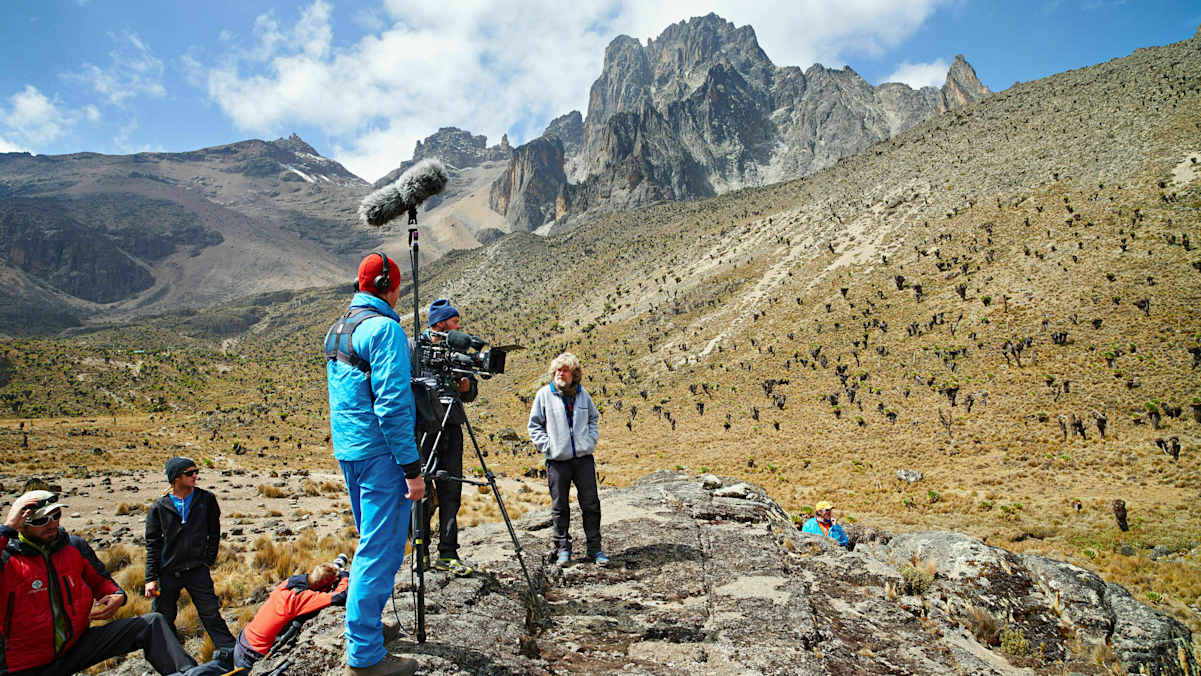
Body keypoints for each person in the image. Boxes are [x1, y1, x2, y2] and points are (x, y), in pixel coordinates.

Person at [323, 251, 425, 676]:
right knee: (380, 551)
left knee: (370, 543)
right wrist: (412, 469)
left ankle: (366, 626)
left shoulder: (339, 329)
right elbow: (393, 406)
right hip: (381, 455)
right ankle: (364, 657)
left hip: (350, 450)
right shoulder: (384, 330)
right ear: (390, 287)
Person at [2, 490, 201, 675]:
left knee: (151, 623)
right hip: (22, 665)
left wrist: (117, 596)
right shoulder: (6, 558)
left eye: (56, 516)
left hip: (74, 648)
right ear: (22, 524)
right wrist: (6, 529)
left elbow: (102, 583)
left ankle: (190, 673)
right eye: (42, 520)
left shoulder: (73, 547)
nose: (52, 523)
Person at [144, 457, 236, 656]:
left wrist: (208, 559)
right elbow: (153, 545)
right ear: (176, 478)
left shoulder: (206, 500)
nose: (195, 476)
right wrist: (150, 578)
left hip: (197, 570)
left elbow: (214, 531)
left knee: (211, 614)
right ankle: (166, 657)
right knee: (163, 617)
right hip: (168, 572)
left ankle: (234, 654)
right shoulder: (159, 508)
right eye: (190, 473)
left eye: (196, 472)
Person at [527, 352, 607, 566]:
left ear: (574, 375)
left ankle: (595, 548)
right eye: (558, 370)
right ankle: (563, 549)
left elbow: (593, 419)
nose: (561, 374)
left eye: (566, 371)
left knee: (591, 504)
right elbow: (534, 426)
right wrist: (548, 447)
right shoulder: (544, 395)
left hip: (583, 459)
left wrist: (590, 441)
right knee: (560, 507)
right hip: (557, 461)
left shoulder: (583, 395)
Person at [416, 298, 478, 576]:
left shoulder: (459, 349)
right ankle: (421, 551)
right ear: (440, 324)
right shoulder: (414, 348)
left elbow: (472, 391)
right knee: (422, 490)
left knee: (451, 490)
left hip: (452, 425)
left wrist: (466, 386)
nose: (459, 327)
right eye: (455, 322)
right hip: (424, 427)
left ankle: (448, 553)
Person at [233, 559, 355, 669]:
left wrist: (325, 572)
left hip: (242, 642)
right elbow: (340, 596)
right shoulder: (301, 598)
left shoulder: (287, 584)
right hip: (252, 656)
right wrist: (344, 576)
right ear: (324, 587)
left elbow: (307, 579)